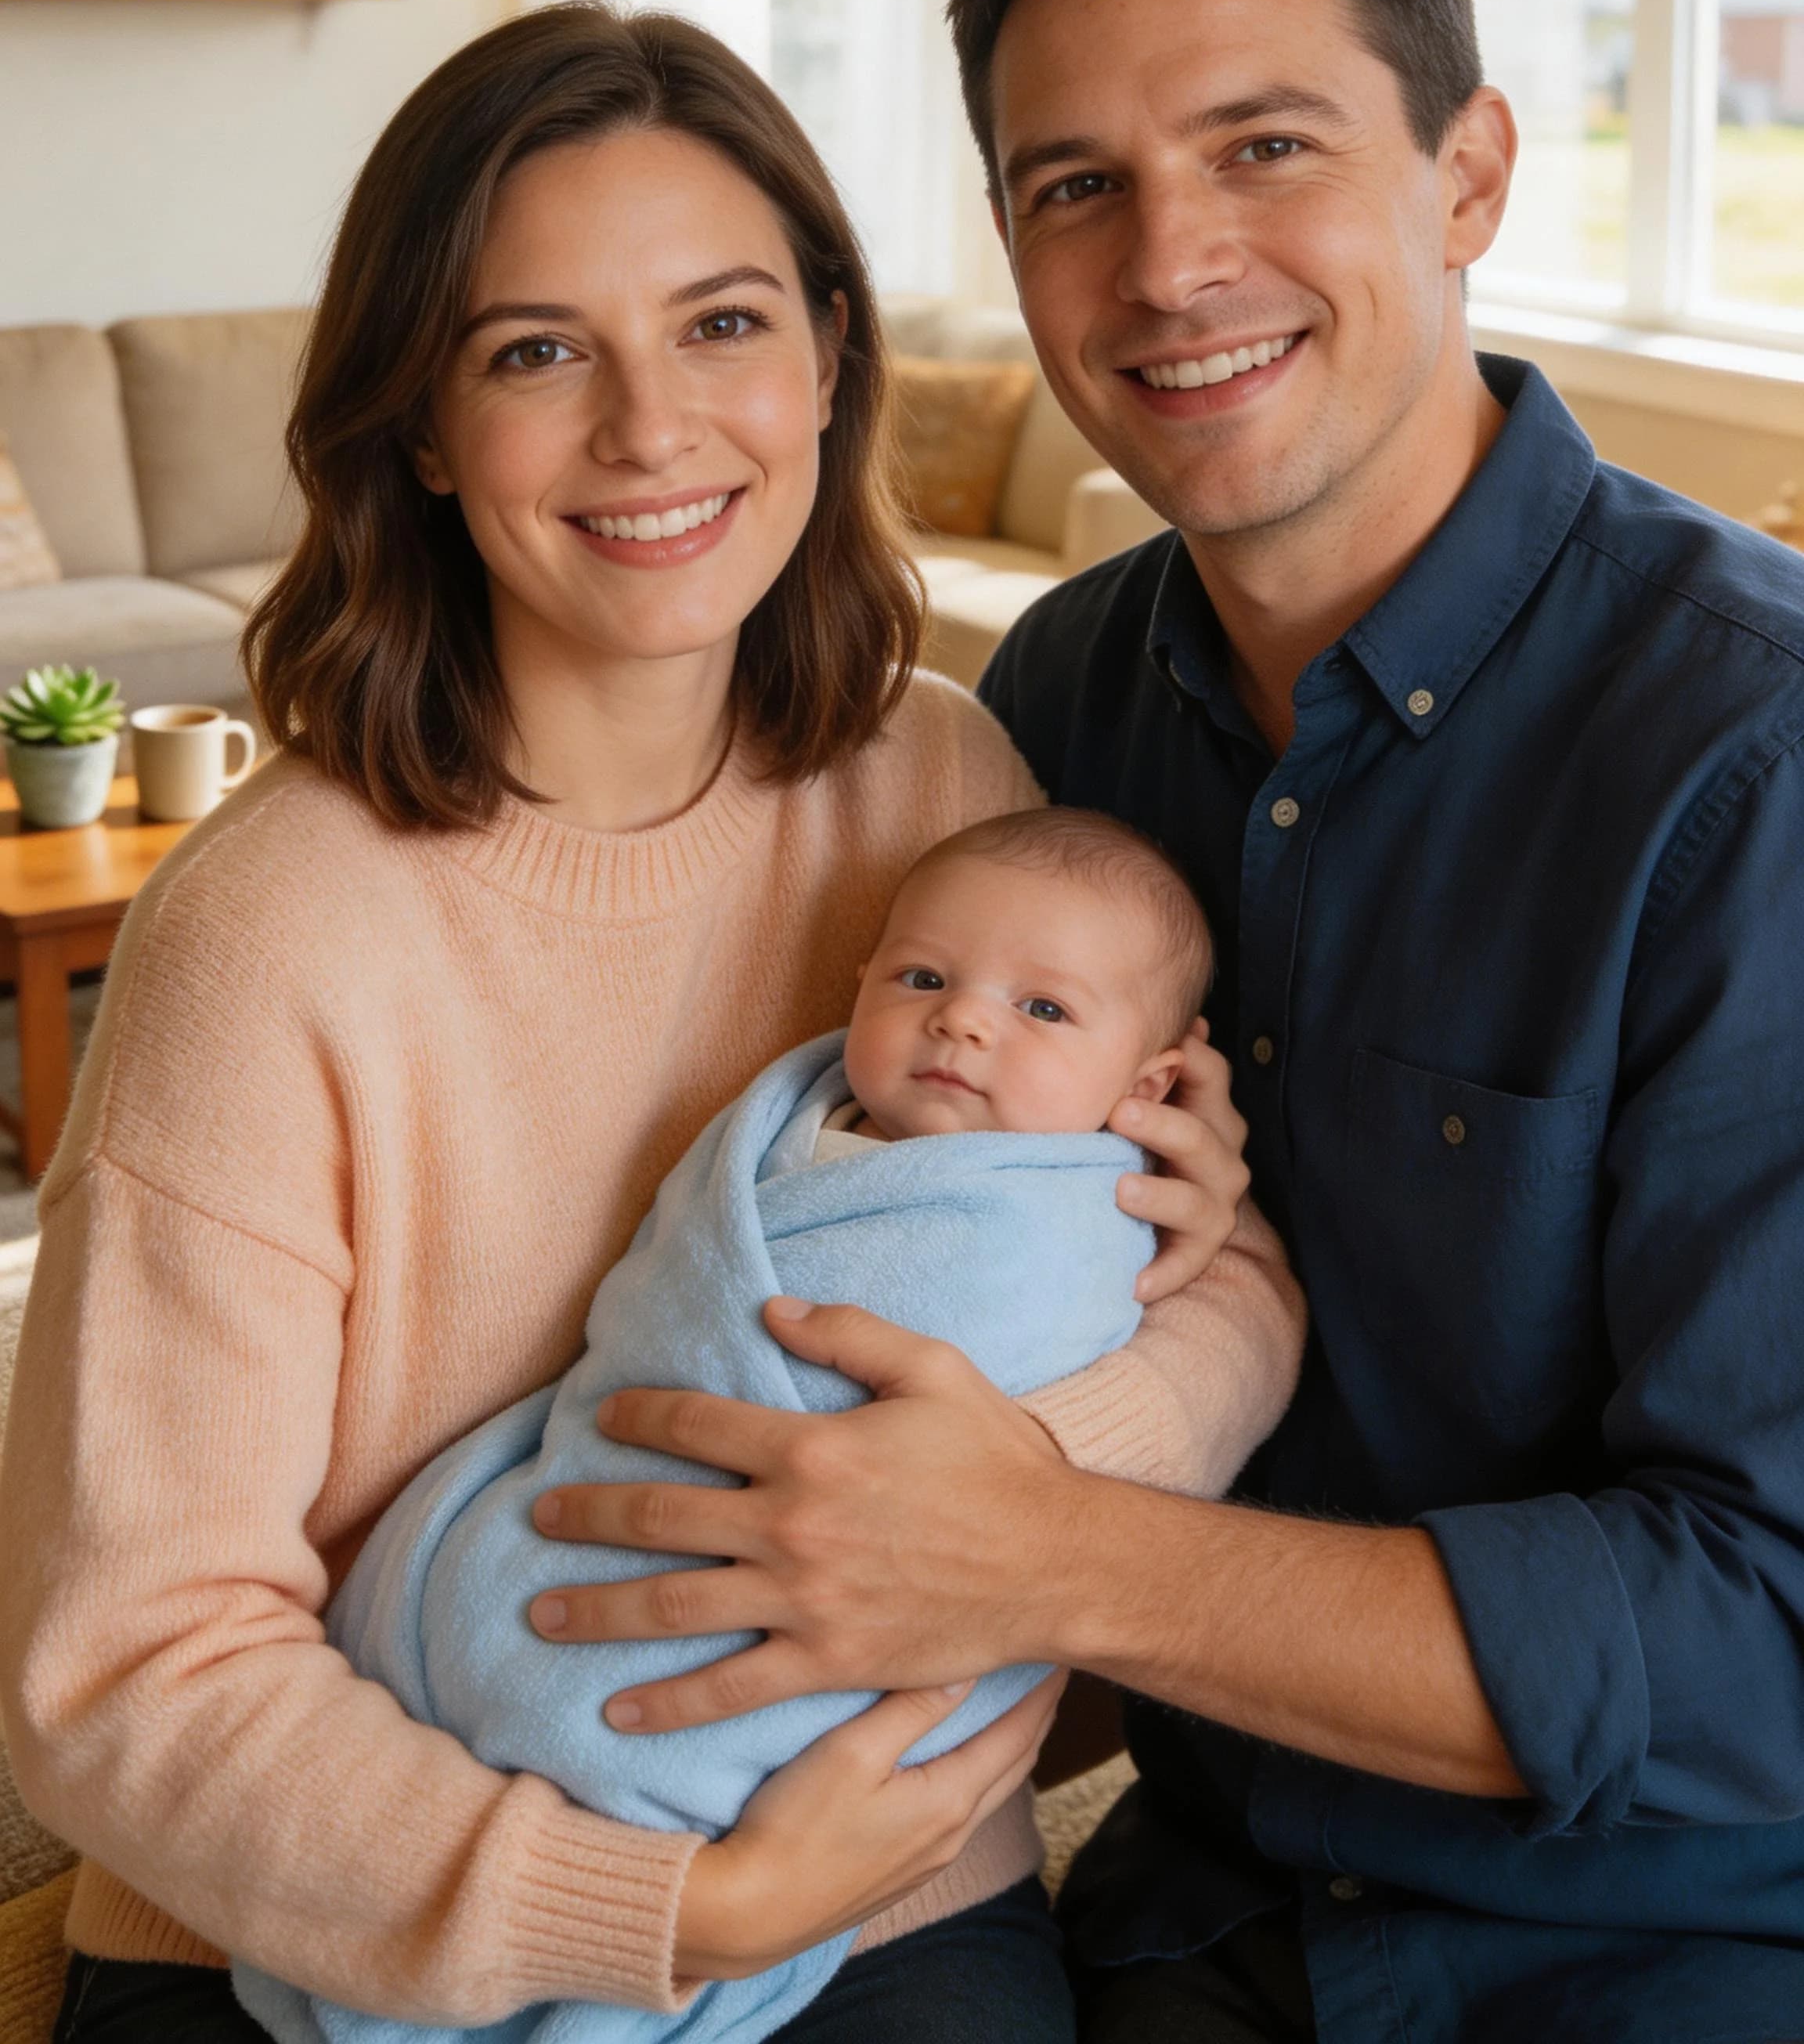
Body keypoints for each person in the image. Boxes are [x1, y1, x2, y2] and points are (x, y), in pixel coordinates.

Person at [525, 0, 1804, 2044]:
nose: (1167, 266)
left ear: (1473, 174)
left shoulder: (1755, 769)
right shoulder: (1060, 710)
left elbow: (1774, 1639)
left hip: (1664, 1945)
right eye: (1072, 188)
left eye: (1265, 146)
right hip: (1175, 1903)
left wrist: (1041, 1555)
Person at [0, 1, 1304, 2044]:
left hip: (882, 1883)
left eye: (720, 325)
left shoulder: (952, 795)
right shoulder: (260, 932)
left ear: (828, 357)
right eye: (537, 351)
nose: (650, 427)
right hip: (332, 1924)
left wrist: (1028, 1486)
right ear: (422, 428)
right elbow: (123, 1665)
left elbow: (1228, 1297)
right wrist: (672, 1905)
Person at [243, 807, 1293, 2044]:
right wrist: (698, 1907)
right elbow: (667, 1308)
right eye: (922, 979)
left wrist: (1035, 1487)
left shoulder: (1067, 1217)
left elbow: (1235, 1306)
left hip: (855, 1790)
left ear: (1154, 1085)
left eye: (1043, 1012)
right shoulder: (789, 1124)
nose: (963, 1018)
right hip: (385, 1783)